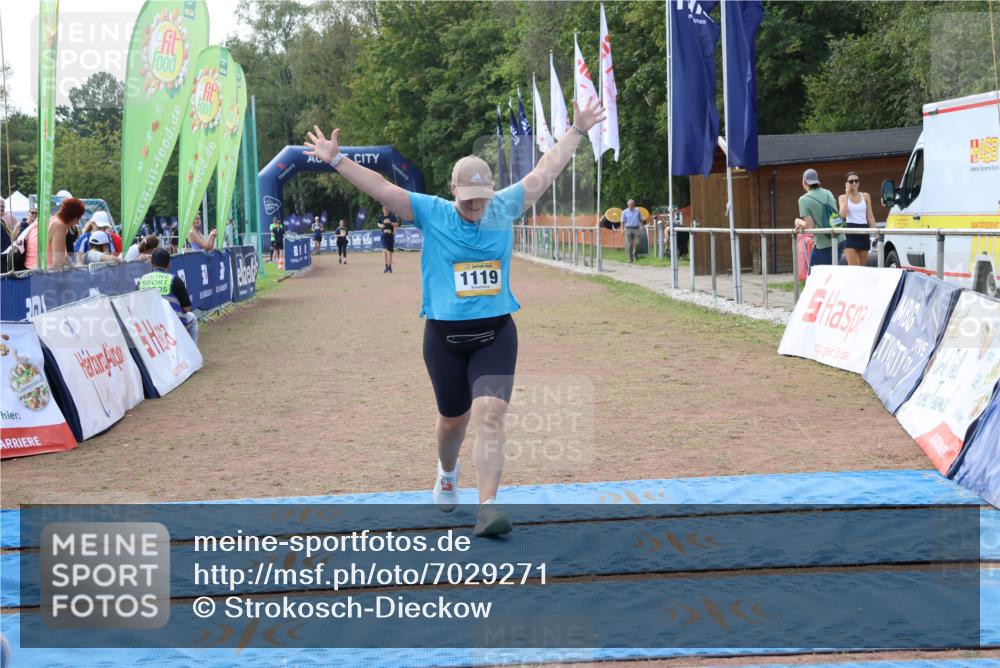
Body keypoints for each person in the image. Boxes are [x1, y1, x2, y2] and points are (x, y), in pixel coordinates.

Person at [304, 96, 605, 536]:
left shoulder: (503, 207)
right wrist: (338, 161)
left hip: (496, 333)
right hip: (444, 339)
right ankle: (447, 473)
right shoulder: (432, 212)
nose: (476, 207)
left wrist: (577, 129)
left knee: (489, 415)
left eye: (481, 199)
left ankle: (489, 508)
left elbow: (545, 171)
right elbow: (382, 188)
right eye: (468, 200)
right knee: (453, 420)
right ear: (453, 191)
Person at [139, 248, 199, 342]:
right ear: (169, 264)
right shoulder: (174, 279)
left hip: (149, 326)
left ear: (151, 264)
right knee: (192, 318)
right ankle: (191, 353)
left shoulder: (142, 280)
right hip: (173, 326)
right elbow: (186, 308)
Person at [794, 168, 845, 269]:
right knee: (831, 275)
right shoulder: (828, 193)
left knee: (814, 277)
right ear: (817, 181)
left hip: (824, 244)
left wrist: (799, 221)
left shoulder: (803, 199)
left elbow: (809, 226)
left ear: (804, 182)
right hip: (840, 240)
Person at [22, 197, 83, 270]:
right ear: (74, 217)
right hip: (44, 273)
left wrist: (73, 269)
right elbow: (58, 263)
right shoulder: (59, 225)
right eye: (78, 218)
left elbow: (65, 255)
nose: (77, 222)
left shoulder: (49, 220)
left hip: (30, 270)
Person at [838, 171, 875, 266]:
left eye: (856, 181)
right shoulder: (842, 197)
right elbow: (843, 215)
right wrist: (847, 196)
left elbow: (870, 216)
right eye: (851, 181)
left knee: (862, 268)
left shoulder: (866, 196)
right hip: (849, 232)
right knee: (853, 268)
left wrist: (875, 232)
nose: (854, 183)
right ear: (846, 183)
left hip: (863, 231)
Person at [378, 206, 397, 273]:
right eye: (384, 210)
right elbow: (378, 223)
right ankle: (386, 266)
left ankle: (389, 266)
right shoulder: (381, 217)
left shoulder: (392, 216)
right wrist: (381, 226)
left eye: (387, 210)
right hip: (383, 235)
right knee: (385, 251)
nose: (385, 211)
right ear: (383, 210)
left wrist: (391, 223)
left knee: (390, 251)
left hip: (390, 235)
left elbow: (396, 224)